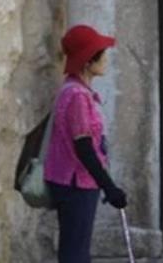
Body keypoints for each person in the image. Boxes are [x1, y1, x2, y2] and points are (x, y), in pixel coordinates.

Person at [44, 24, 127, 263]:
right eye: (101, 54)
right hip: (75, 184)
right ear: (88, 61)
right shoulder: (78, 96)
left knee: (76, 252)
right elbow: (83, 147)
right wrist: (110, 188)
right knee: (75, 255)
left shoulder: (75, 90)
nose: (107, 59)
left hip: (71, 182)